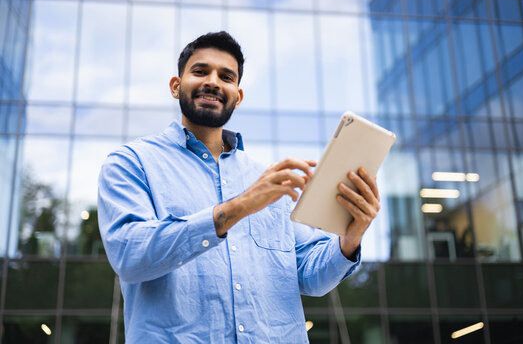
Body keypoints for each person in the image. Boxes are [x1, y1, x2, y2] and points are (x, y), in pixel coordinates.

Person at [98, 31, 381, 343]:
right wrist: (238, 207)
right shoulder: (131, 162)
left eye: (226, 76)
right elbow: (130, 256)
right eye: (200, 71)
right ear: (176, 87)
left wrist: (349, 239)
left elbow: (311, 276)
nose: (214, 82)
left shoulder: (268, 181)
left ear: (237, 96)